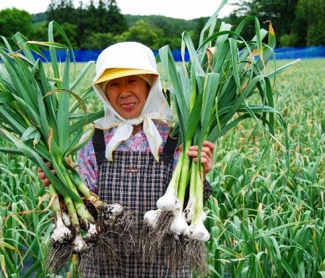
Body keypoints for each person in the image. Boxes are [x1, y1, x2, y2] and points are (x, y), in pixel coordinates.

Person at [39, 41, 215, 277]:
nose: (124, 92)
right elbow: (85, 205)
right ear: (102, 90)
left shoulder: (177, 136)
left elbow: (188, 204)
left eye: (132, 81)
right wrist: (62, 181)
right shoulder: (93, 138)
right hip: (103, 265)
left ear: (150, 84)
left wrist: (200, 174)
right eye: (113, 84)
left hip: (166, 266)